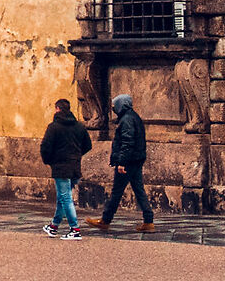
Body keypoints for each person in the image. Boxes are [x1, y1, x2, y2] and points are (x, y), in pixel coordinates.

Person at [98, 93, 153, 231]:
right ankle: (148, 221)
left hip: (128, 161)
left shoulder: (127, 119)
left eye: (115, 105)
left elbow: (127, 142)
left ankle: (105, 220)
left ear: (121, 105)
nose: (113, 108)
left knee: (117, 192)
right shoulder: (133, 117)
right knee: (139, 190)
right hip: (135, 160)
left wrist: (121, 162)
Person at [38, 98, 91, 238]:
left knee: (66, 198)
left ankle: (75, 229)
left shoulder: (54, 127)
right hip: (75, 166)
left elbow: (45, 146)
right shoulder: (79, 126)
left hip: (60, 167)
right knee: (62, 197)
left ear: (57, 109)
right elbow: (88, 145)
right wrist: (76, 155)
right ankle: (54, 226)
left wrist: (49, 160)